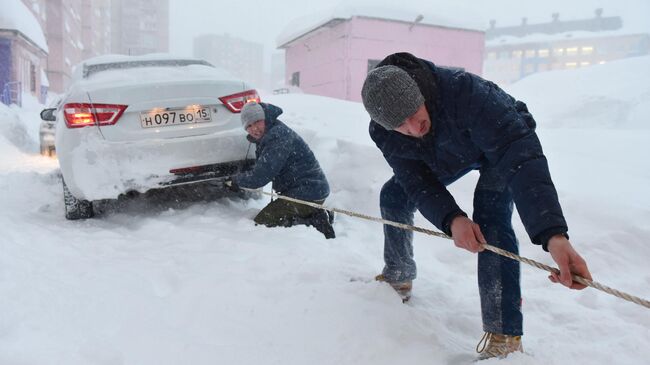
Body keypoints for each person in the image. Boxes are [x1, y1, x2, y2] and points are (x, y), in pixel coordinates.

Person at [360, 52, 592, 360]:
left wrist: (554, 236)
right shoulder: (384, 133)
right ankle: (399, 273)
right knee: (393, 195)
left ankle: (504, 335)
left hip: (498, 143)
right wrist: (451, 218)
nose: (414, 128)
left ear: (419, 93)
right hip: (448, 151)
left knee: (491, 216)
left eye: (414, 114)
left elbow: (521, 160)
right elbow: (416, 181)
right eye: (401, 126)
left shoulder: (466, 93)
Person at [226, 101, 335, 239]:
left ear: (265, 118)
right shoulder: (271, 133)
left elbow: (260, 177)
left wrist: (236, 180)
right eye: (249, 126)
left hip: (307, 194)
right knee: (270, 219)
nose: (254, 128)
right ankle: (311, 213)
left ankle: (316, 220)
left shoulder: (277, 137)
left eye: (257, 122)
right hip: (307, 191)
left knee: (263, 223)